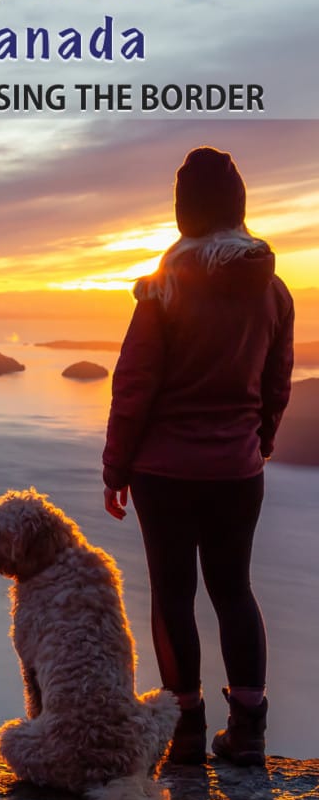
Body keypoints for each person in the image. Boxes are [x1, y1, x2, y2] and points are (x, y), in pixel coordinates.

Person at [102, 146, 294, 766]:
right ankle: (250, 732)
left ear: (184, 211)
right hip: (237, 470)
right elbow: (276, 381)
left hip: (164, 471)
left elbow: (134, 385)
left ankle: (184, 730)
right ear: (239, 207)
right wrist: (258, 443)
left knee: (173, 594)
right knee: (234, 590)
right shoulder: (275, 291)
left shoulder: (163, 289)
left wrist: (116, 469)